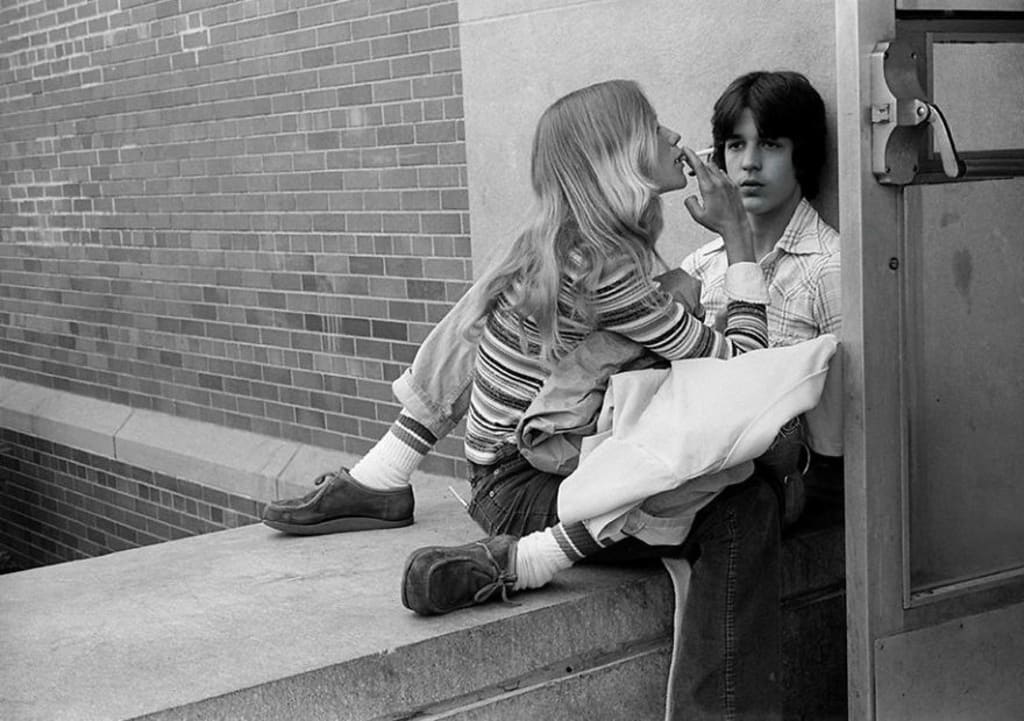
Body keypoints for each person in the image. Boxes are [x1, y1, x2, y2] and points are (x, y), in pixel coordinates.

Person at [678, 70, 843, 507]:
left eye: (770, 145)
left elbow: (850, 429)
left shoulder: (830, 267)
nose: (750, 162)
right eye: (736, 145)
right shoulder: (701, 267)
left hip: (788, 492)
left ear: (801, 155)